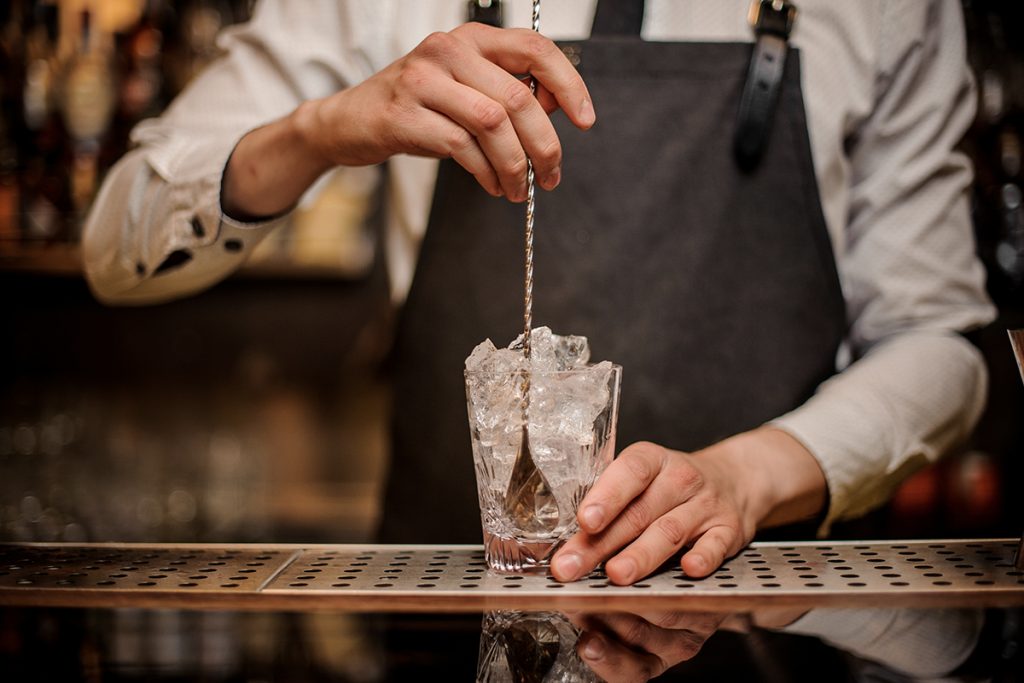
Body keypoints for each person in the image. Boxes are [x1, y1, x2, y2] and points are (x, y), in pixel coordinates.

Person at [82, 0, 996, 585]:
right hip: (450, 620)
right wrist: (320, 131)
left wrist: (747, 476)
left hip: (773, 622)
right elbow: (115, 241)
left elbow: (943, 342)